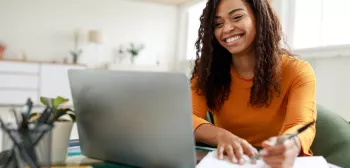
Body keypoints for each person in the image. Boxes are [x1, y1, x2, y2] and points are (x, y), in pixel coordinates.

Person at [191, 0, 316, 167]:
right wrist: (222, 136)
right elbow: (187, 118)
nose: (227, 29)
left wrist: (291, 145)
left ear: (259, 18)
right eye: (218, 23)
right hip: (229, 161)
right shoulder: (207, 72)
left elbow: (302, 124)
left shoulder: (297, 71)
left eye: (237, 17)